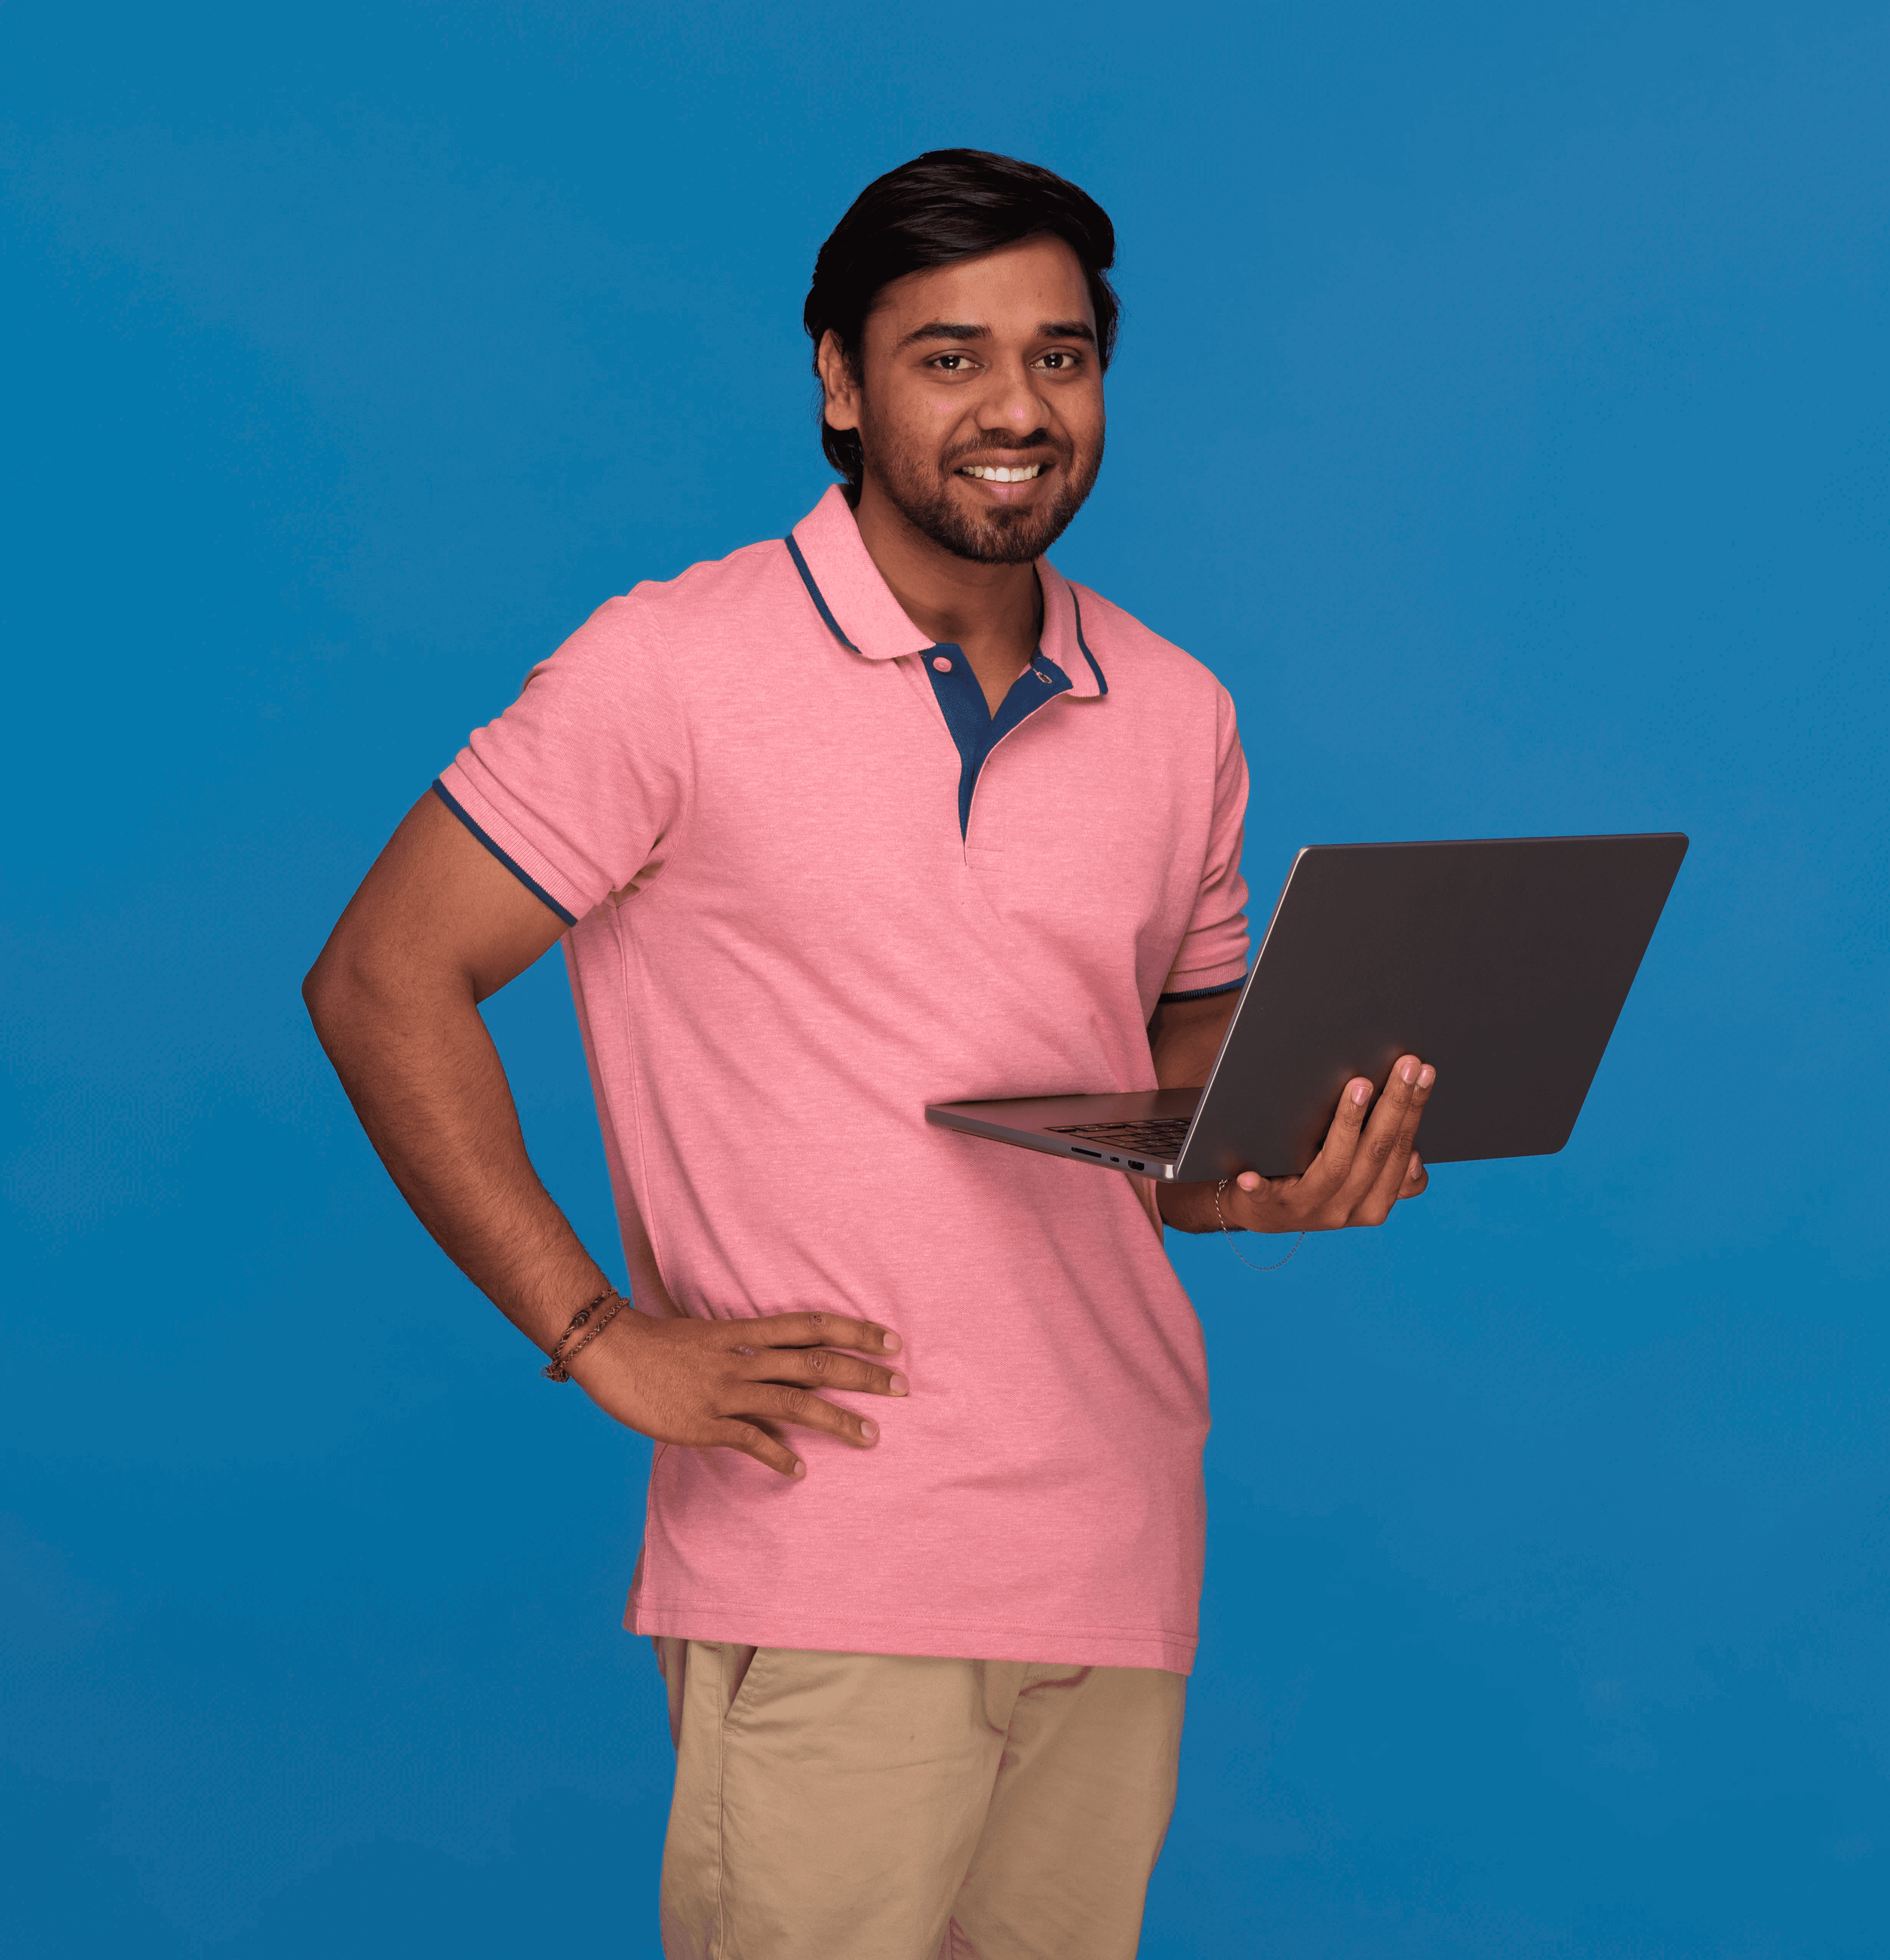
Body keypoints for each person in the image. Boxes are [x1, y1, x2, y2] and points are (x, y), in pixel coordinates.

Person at [304, 147, 1434, 1960]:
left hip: (1117, 1535)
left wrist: (1292, 1155)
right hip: (832, 1548)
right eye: (950, 356)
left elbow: (1159, 1077)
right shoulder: (665, 667)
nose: (1015, 408)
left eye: (1059, 359)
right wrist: (595, 1336)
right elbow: (380, 980)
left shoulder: (1176, 705)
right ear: (839, 379)